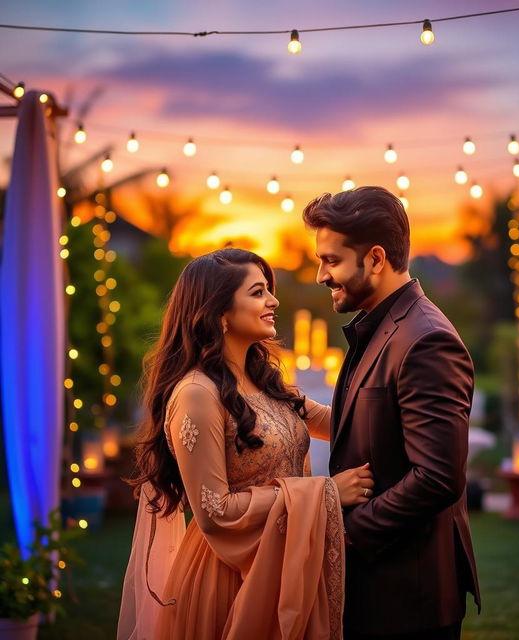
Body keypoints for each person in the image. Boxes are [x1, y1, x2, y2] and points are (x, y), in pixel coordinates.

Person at [117, 248, 374, 640]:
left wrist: (395, 381)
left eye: (269, 290)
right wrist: (327, 492)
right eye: (257, 292)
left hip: (286, 563)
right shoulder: (196, 394)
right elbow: (213, 511)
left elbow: (342, 422)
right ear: (218, 312)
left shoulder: (266, 381)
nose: (273, 301)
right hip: (230, 578)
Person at [302, 187, 481, 640]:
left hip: (407, 598)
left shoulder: (425, 340)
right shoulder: (381, 324)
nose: (322, 274)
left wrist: (346, 533)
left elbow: (438, 477)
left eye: (332, 260)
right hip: (379, 591)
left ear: (376, 258)